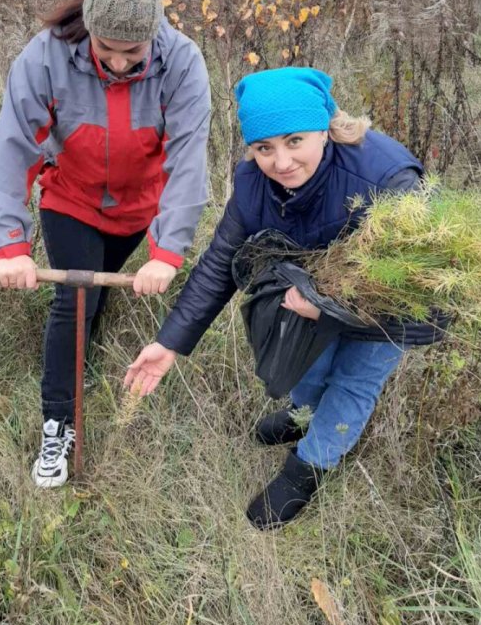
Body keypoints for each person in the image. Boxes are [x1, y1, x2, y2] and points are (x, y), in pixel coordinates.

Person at [125, 66, 442, 530]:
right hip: (315, 288)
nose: (281, 162)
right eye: (264, 147)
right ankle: (303, 414)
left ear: (324, 128)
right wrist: (169, 342)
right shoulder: (255, 182)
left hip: (387, 304)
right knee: (308, 363)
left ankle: (307, 468)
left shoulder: (387, 180)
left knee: (353, 380)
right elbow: (219, 263)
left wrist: (335, 310)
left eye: (295, 140)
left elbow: (425, 303)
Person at [0, 0, 211, 488]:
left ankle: (83, 356)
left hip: (137, 208)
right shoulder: (46, 57)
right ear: (89, 28)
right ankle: (59, 422)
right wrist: (9, 244)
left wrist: (166, 252)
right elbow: (12, 148)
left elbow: (187, 164)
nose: (120, 62)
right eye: (107, 48)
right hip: (72, 199)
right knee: (75, 299)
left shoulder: (183, 63)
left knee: (98, 295)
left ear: (153, 34)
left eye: (133, 52)